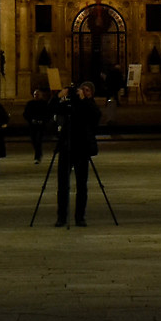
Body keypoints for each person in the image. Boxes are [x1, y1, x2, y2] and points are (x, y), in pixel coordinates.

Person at [54, 81, 102, 227]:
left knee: (81, 185)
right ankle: (62, 217)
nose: (84, 92)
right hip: (66, 147)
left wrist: (83, 101)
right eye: (83, 90)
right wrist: (58, 96)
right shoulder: (71, 104)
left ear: (91, 93)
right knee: (62, 185)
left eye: (87, 90)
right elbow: (52, 110)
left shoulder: (90, 105)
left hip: (82, 149)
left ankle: (80, 217)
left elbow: (95, 117)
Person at [23, 86, 54, 162]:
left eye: (38, 94)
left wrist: (43, 121)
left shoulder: (44, 104)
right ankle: (39, 153)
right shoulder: (30, 103)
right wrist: (31, 120)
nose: (36, 96)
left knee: (38, 140)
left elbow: (48, 114)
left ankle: (37, 156)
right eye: (35, 94)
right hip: (33, 125)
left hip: (41, 125)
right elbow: (26, 114)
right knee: (34, 140)